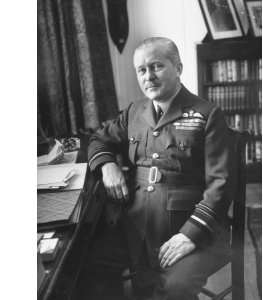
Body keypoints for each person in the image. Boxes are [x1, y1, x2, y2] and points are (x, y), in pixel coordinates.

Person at [76, 37, 232, 300]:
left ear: (178, 68)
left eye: (156, 66)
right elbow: (99, 139)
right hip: (136, 225)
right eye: (141, 70)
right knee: (85, 266)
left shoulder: (207, 115)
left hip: (189, 227)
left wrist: (190, 235)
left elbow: (221, 183)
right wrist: (107, 166)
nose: (148, 76)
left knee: (173, 289)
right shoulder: (134, 112)